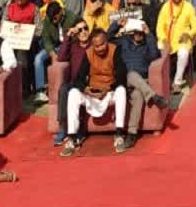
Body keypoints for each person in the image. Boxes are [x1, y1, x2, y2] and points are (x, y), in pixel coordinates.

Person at [60, 28, 130, 156]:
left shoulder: (115, 50)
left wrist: (108, 89)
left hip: (109, 91)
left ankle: (119, 134)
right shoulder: (88, 54)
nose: (100, 48)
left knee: (121, 90)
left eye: (102, 44)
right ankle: (71, 138)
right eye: (96, 46)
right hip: (93, 92)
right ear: (93, 45)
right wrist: (86, 90)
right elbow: (78, 78)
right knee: (73, 93)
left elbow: (121, 76)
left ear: (107, 41)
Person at [114, 18, 169, 150]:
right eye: (136, 32)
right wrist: (116, 25)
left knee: (138, 95)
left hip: (141, 83)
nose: (138, 35)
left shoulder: (147, 45)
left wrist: (149, 34)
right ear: (132, 32)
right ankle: (153, 96)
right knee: (131, 74)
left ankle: (132, 133)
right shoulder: (124, 42)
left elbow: (156, 55)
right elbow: (108, 37)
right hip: (125, 79)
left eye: (141, 33)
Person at [156, 0, 196, 94]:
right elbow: (159, 26)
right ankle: (165, 80)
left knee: (183, 53)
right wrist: (164, 39)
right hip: (167, 39)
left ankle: (177, 82)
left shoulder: (188, 7)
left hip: (182, 40)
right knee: (160, 47)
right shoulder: (165, 7)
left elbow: (195, 27)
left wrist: (188, 34)